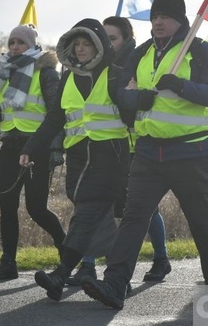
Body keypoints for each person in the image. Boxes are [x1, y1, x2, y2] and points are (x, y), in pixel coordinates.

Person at [82, 0, 208, 309]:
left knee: (202, 222)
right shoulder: (142, 52)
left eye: (165, 16)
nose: (158, 21)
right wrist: (140, 98)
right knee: (133, 218)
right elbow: (121, 94)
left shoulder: (200, 52)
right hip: (149, 154)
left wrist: (182, 87)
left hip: (191, 153)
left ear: (180, 20)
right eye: (154, 16)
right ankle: (114, 285)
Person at [23, 18, 131, 302]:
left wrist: (137, 97)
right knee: (97, 217)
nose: (81, 49)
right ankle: (118, 280)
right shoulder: (68, 77)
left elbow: (131, 116)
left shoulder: (116, 75)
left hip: (110, 156)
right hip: (78, 156)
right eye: (77, 44)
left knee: (88, 212)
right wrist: (32, 147)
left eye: (87, 44)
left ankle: (61, 274)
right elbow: (56, 118)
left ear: (99, 47)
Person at [67, 16, 172, 286]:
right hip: (106, 149)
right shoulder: (98, 68)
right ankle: (88, 265)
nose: (109, 42)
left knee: (140, 209)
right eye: (106, 38)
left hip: (137, 146)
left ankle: (160, 258)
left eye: (113, 38)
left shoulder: (133, 64)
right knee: (97, 205)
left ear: (126, 39)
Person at [0, 24, 66, 280]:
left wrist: (53, 148)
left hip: (36, 147)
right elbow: (6, 113)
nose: (15, 47)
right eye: (12, 43)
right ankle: (8, 263)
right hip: (10, 145)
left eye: (21, 43)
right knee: (7, 206)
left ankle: (67, 250)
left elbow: (56, 113)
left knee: (36, 208)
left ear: (32, 45)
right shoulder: (4, 74)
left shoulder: (46, 73)